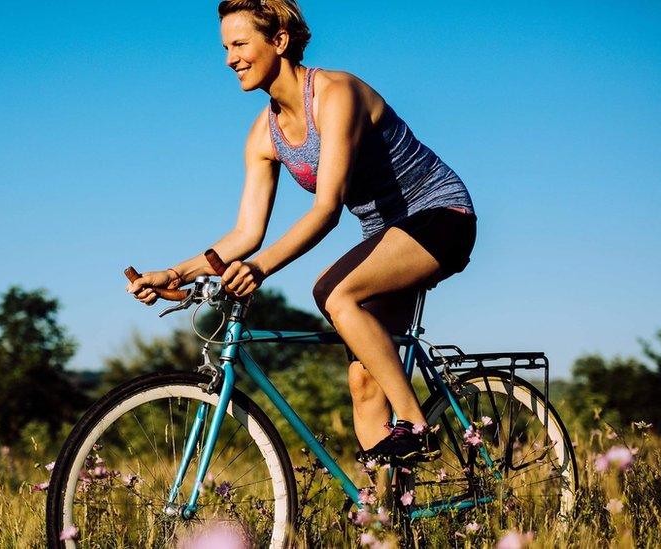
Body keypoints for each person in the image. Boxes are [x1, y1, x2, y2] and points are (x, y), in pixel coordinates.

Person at [125, 0, 476, 465]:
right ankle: (384, 522)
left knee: (333, 292)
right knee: (364, 381)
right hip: (385, 234)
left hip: (440, 215)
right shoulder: (262, 135)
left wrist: (260, 269)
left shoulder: (335, 94)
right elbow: (245, 233)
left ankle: (415, 423)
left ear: (279, 41)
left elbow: (327, 209)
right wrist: (175, 273)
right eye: (225, 47)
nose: (229, 58)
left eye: (240, 43)